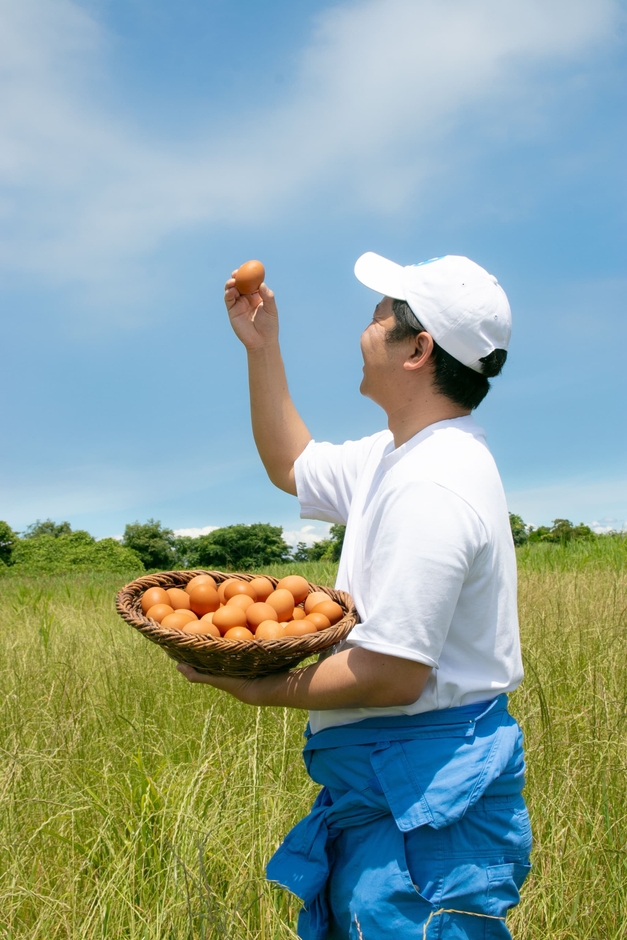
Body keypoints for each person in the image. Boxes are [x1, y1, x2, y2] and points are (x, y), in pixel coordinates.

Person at [177, 251, 532, 939]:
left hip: (425, 796)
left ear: (417, 349)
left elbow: (392, 672)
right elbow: (292, 464)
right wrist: (261, 347)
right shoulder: (395, 455)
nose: (364, 327)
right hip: (393, 782)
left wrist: (264, 689)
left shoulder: (434, 483)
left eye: (379, 317)